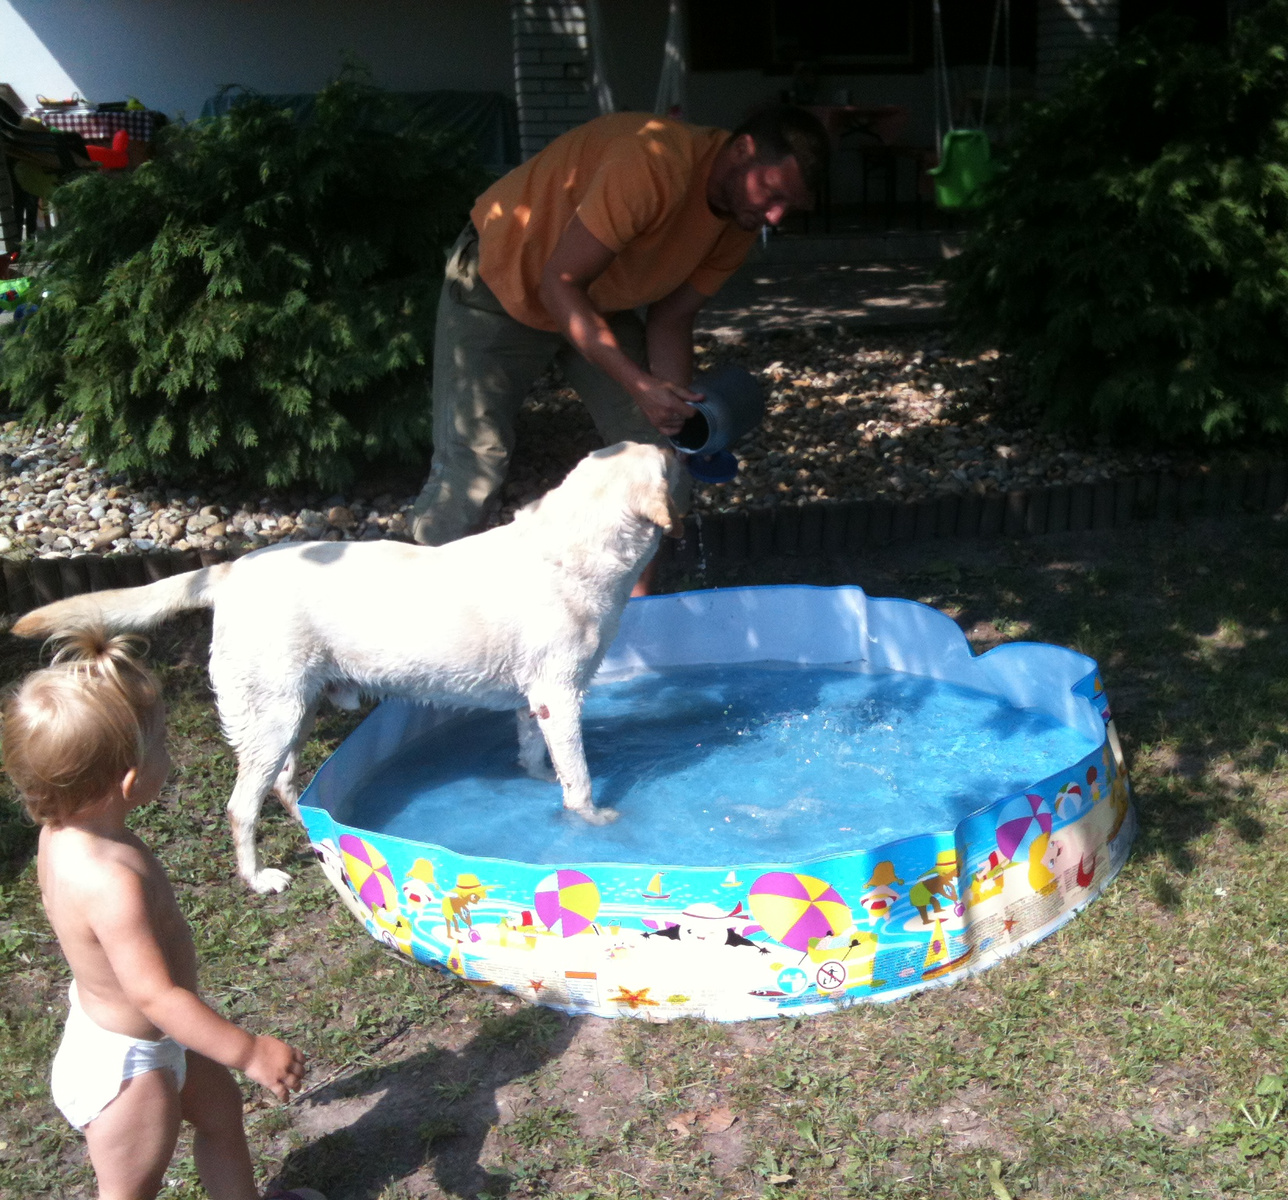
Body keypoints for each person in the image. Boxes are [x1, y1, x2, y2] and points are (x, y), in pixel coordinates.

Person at [409, 103, 830, 586]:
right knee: (473, 465)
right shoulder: (653, 164)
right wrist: (637, 383)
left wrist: (672, 411)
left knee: (659, 462)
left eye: (787, 208)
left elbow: (672, 317)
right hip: (502, 278)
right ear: (742, 150)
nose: (774, 217)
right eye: (773, 194)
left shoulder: (739, 219)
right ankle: (425, 622)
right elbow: (558, 283)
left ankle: (638, 620)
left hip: (597, 297)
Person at [4, 629, 319, 1200]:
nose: (171, 756)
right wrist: (249, 1051)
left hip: (150, 1041)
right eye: (163, 747)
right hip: (129, 1069)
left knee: (221, 1119)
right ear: (129, 780)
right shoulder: (110, 882)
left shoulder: (62, 836)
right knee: (130, 1190)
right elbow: (156, 996)